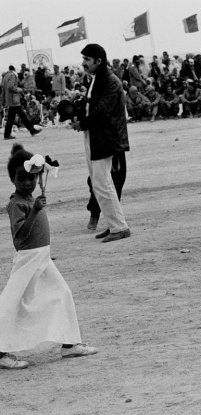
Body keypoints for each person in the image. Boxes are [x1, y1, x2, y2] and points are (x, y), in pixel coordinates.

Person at [0, 145, 98, 369]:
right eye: (21, 179)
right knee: (11, 303)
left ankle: (70, 344)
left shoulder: (30, 200)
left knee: (62, 293)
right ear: (12, 180)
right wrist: (34, 211)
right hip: (28, 259)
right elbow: (19, 240)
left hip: (42, 258)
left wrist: (35, 207)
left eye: (31, 178)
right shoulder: (17, 205)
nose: (27, 183)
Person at [73, 44, 131, 243]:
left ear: (99, 61)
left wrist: (83, 123)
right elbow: (92, 107)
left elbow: (102, 111)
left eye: (87, 60)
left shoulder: (111, 82)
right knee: (100, 183)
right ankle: (114, 224)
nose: (83, 63)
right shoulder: (97, 79)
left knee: (102, 182)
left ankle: (119, 227)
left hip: (107, 137)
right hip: (96, 135)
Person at [2, 66, 41, 140]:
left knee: (16, 117)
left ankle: (31, 130)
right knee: (20, 116)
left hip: (10, 100)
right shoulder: (12, 75)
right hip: (14, 100)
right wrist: (20, 90)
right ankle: (31, 130)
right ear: (14, 69)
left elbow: (3, 88)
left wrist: (3, 100)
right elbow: (11, 87)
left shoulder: (5, 76)